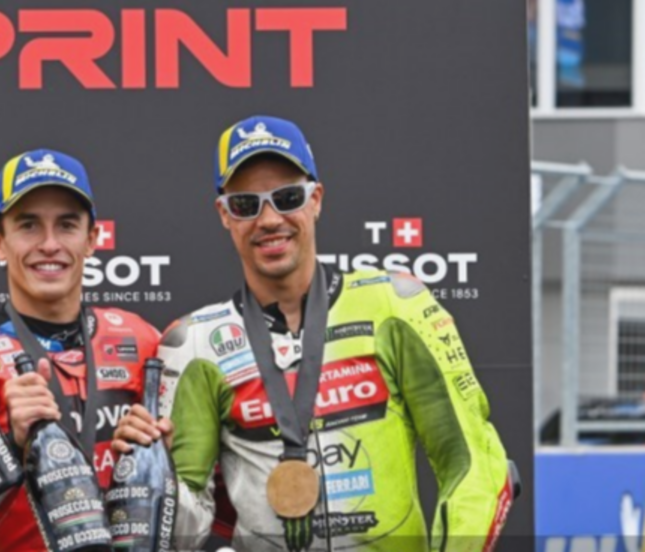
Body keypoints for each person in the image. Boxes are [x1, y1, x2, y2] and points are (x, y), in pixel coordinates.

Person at [111, 115, 516, 551]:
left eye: (287, 198)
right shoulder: (193, 343)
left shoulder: (395, 305)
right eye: (246, 205)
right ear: (225, 215)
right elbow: (182, 535)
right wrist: (154, 476)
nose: (269, 219)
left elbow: (473, 462)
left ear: (316, 199)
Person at [0, 149, 161, 551]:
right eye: (28, 226)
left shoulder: (141, 340)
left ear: (92, 239)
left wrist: (158, 454)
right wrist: (8, 445)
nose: (50, 244)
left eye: (67, 225)